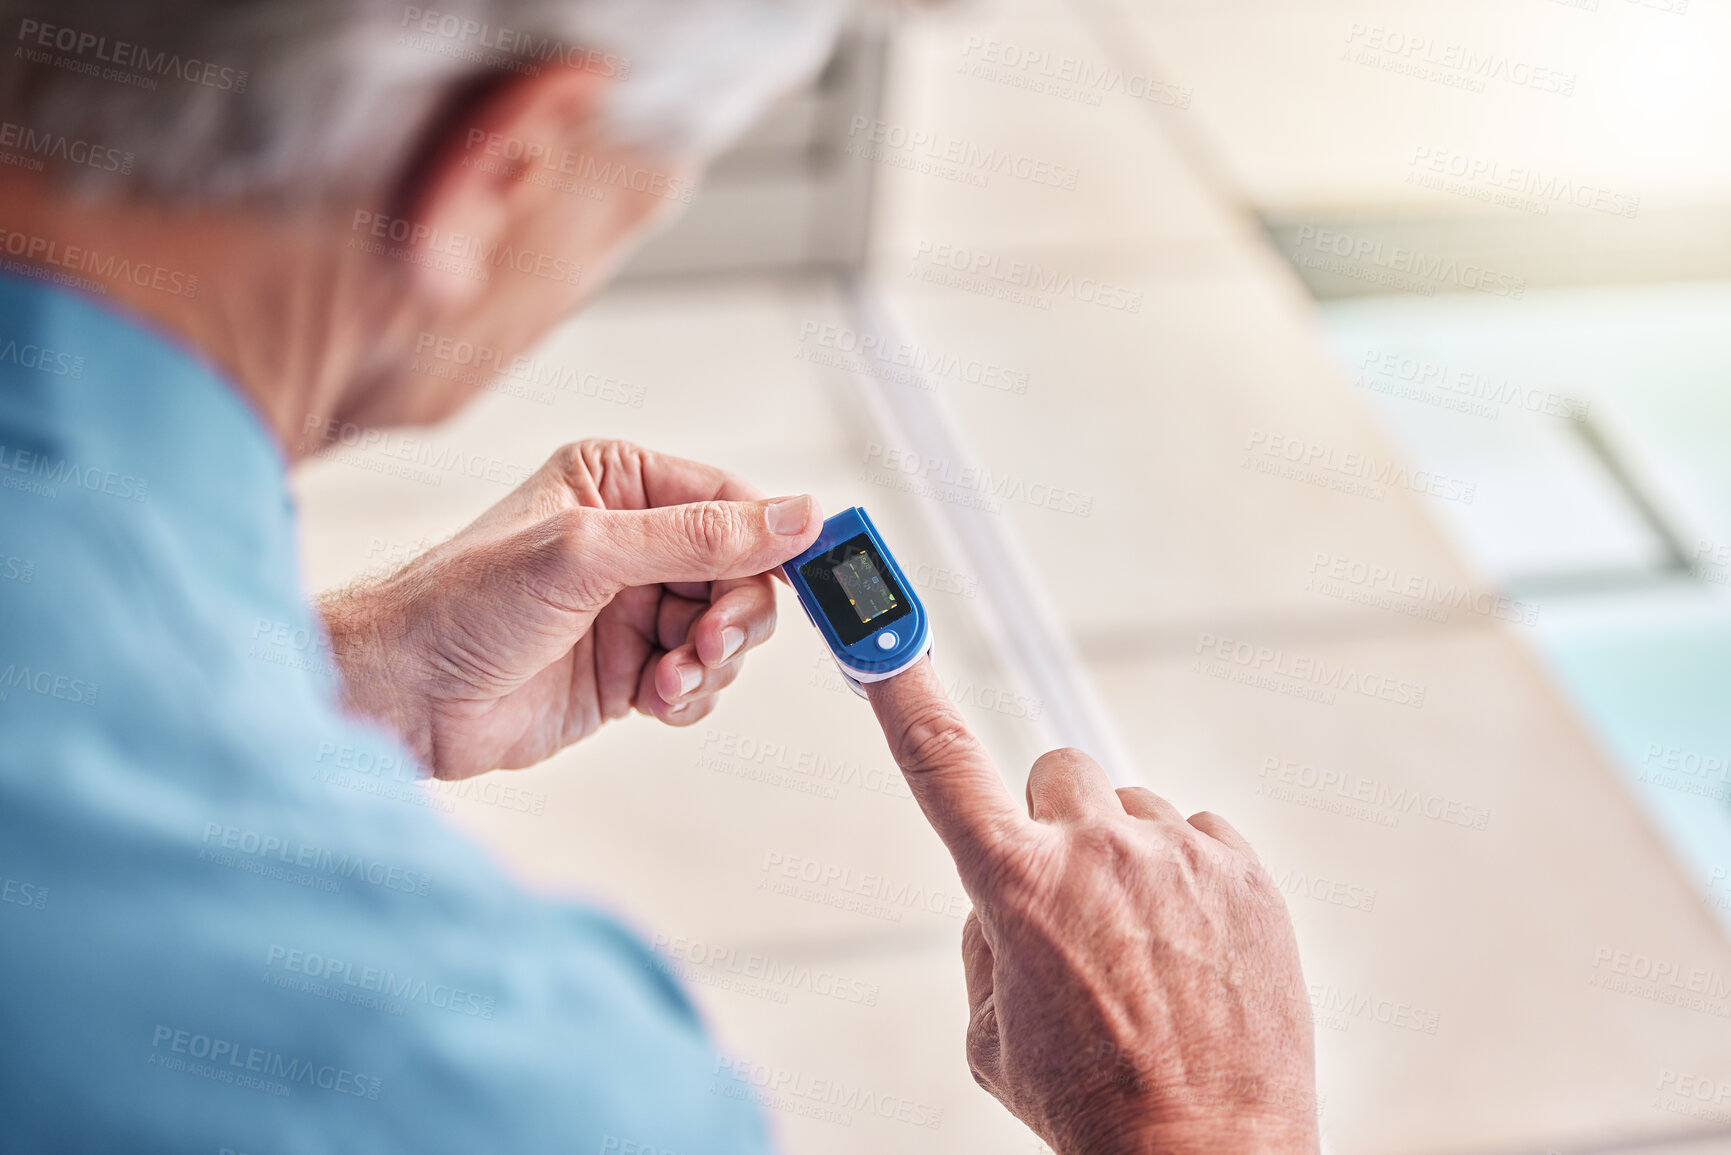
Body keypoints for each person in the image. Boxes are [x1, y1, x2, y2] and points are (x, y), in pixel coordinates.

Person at [0, 1, 1319, 1151]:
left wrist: (336, 681)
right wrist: (1204, 1122)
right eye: (648, 191)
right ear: (501, 173)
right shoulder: (468, 1074)